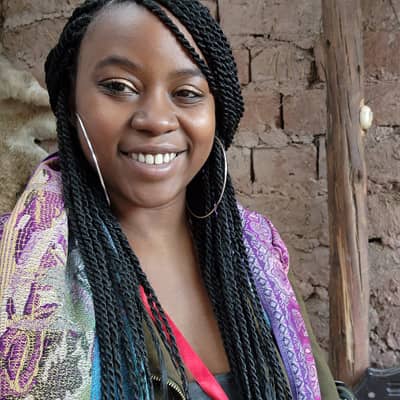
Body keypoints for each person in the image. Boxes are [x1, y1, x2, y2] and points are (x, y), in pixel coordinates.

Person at [0, 1, 354, 399]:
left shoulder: (256, 256)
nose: (156, 119)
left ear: (217, 113)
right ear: (70, 99)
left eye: (186, 93)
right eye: (118, 87)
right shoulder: (15, 270)